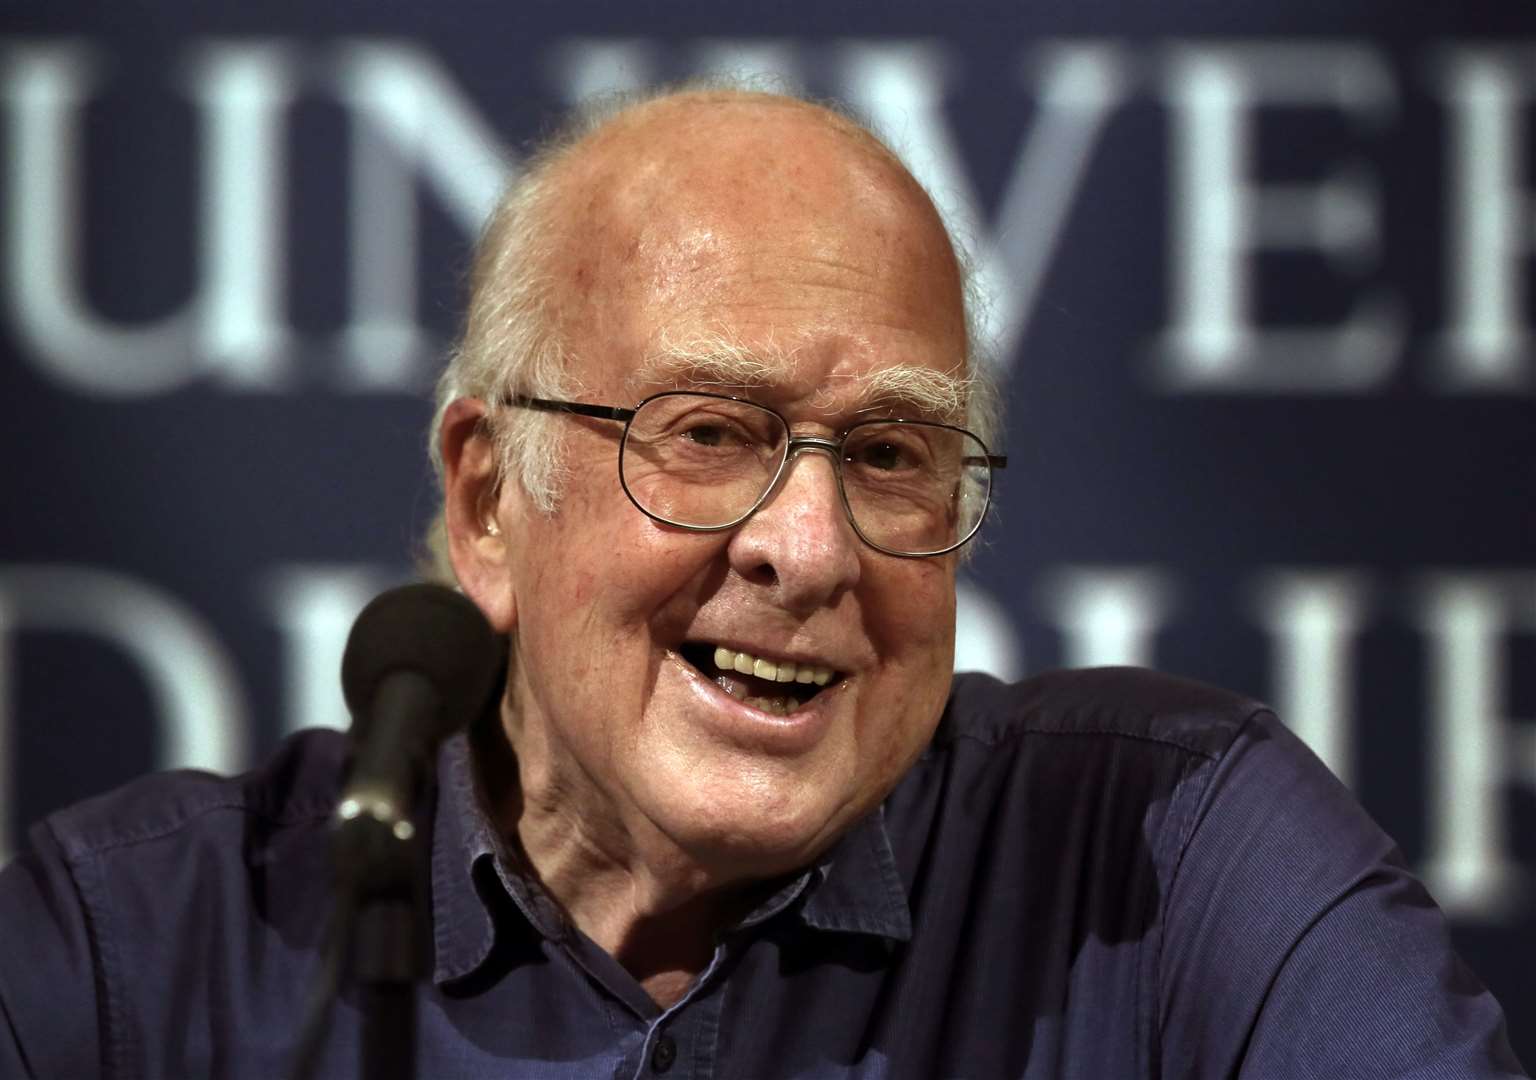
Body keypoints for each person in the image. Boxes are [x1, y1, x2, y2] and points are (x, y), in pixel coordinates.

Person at [0, 85, 1525, 1079]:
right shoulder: (141, 950)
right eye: (710, 433)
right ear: (485, 500)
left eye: (889, 453)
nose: (808, 548)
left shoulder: (1173, 866)